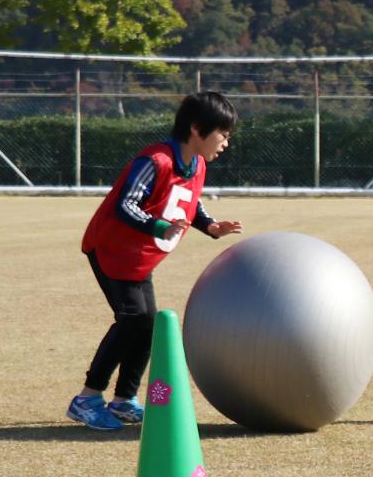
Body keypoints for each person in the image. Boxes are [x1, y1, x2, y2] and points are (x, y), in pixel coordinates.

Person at [68, 92, 243, 430]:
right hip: (111, 249)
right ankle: (87, 398)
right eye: (222, 134)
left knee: (147, 325)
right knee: (134, 319)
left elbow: (188, 202)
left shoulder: (197, 165)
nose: (225, 142)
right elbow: (127, 204)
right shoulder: (156, 160)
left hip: (139, 258)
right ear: (196, 129)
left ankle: (123, 401)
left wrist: (210, 225)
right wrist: (159, 226)